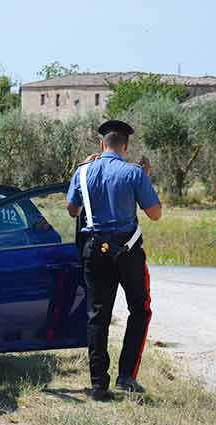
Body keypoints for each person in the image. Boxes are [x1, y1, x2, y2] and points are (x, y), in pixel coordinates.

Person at [66, 120, 162, 400]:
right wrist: (143, 178)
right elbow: (155, 214)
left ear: (101, 144)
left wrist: (82, 172)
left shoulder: (82, 172)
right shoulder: (134, 173)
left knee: (97, 316)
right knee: (140, 310)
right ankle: (127, 376)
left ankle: (98, 385)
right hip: (128, 252)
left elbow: (72, 210)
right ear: (125, 146)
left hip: (95, 250)